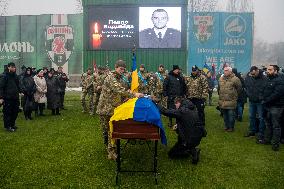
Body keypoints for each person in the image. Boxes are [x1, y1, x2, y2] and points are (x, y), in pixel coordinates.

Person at [96, 60, 143, 160]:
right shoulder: (110, 77)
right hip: (105, 108)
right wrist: (134, 94)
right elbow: (119, 89)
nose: (122, 71)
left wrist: (126, 99)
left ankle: (111, 150)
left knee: (111, 130)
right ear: (116, 67)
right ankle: (109, 149)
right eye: (120, 68)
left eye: (123, 69)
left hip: (114, 108)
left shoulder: (121, 79)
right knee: (106, 131)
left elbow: (121, 92)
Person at [157, 97, 205, 164]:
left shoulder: (182, 111)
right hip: (198, 135)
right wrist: (178, 125)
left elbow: (165, 111)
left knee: (171, 154)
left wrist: (156, 104)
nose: (175, 106)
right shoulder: (191, 108)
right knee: (180, 144)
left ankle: (192, 151)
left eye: (175, 104)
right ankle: (190, 148)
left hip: (189, 138)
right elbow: (187, 121)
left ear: (178, 103)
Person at [261, 65, 284, 151]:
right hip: (267, 105)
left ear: (276, 71)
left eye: (270, 70)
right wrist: (262, 98)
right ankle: (267, 140)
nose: (267, 71)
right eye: (267, 69)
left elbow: (277, 94)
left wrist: (265, 100)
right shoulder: (267, 79)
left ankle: (275, 144)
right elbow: (263, 90)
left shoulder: (280, 80)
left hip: (276, 106)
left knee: (276, 126)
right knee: (268, 124)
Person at [244, 66, 267, 139]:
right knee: (251, 117)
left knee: (261, 118)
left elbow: (266, 89)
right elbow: (246, 87)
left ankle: (261, 133)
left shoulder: (264, 78)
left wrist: (261, 97)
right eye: (251, 74)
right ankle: (252, 131)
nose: (253, 75)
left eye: (254, 74)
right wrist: (248, 94)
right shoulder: (249, 77)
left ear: (257, 70)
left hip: (260, 102)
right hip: (251, 101)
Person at [218, 67, 242, 132]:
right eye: (224, 70)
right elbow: (219, 88)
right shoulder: (220, 79)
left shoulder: (235, 79)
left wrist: (234, 95)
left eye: (226, 70)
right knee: (225, 116)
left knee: (231, 116)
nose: (225, 72)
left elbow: (239, 89)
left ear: (230, 71)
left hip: (231, 101)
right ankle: (226, 126)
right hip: (223, 101)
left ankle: (231, 127)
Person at [0, 62, 21, 132]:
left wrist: (21, 91)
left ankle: (12, 124)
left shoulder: (15, 76)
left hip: (15, 97)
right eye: (12, 67)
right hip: (7, 98)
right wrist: (1, 98)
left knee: (15, 112)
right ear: (8, 67)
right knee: (7, 112)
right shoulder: (4, 76)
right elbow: (1, 87)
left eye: (14, 67)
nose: (14, 68)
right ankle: (8, 126)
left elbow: (18, 85)